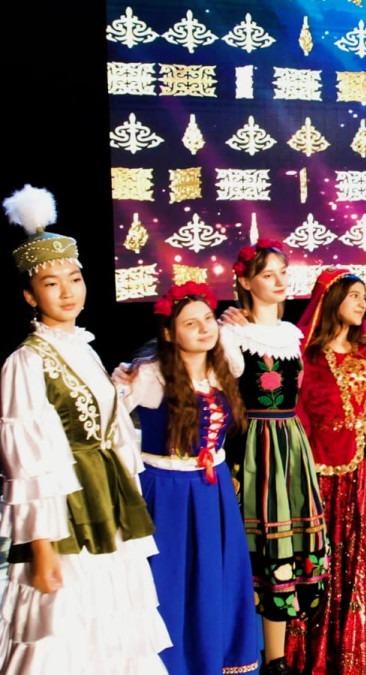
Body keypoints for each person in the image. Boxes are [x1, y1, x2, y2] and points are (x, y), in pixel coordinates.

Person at [0, 185, 169, 672]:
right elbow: (28, 463)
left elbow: (105, 429)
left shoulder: (84, 348)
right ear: (30, 295)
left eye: (74, 278)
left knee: (111, 619)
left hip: (107, 501)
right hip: (66, 512)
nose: (67, 291)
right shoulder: (26, 362)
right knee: (63, 628)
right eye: (51, 283)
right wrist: (41, 546)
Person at [123, 282, 259, 675]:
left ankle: (213, 657)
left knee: (214, 576)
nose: (204, 328)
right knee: (170, 579)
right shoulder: (150, 376)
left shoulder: (226, 364)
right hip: (167, 491)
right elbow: (108, 421)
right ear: (168, 333)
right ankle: (172, 664)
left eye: (207, 319)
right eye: (189, 323)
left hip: (212, 488)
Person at [287, 270, 366, 673]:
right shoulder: (307, 355)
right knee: (331, 558)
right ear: (332, 299)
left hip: (363, 469)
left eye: (364, 295)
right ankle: (331, 649)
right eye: (354, 295)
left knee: (365, 554)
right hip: (326, 471)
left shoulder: (364, 347)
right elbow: (299, 414)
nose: (363, 303)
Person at [222, 239, 328, 675]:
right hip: (253, 445)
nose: (280, 281)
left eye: (283, 272)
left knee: (286, 543)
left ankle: (277, 657)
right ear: (246, 282)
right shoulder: (232, 333)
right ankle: (238, 651)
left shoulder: (291, 334)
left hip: (290, 444)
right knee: (257, 544)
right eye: (268, 274)